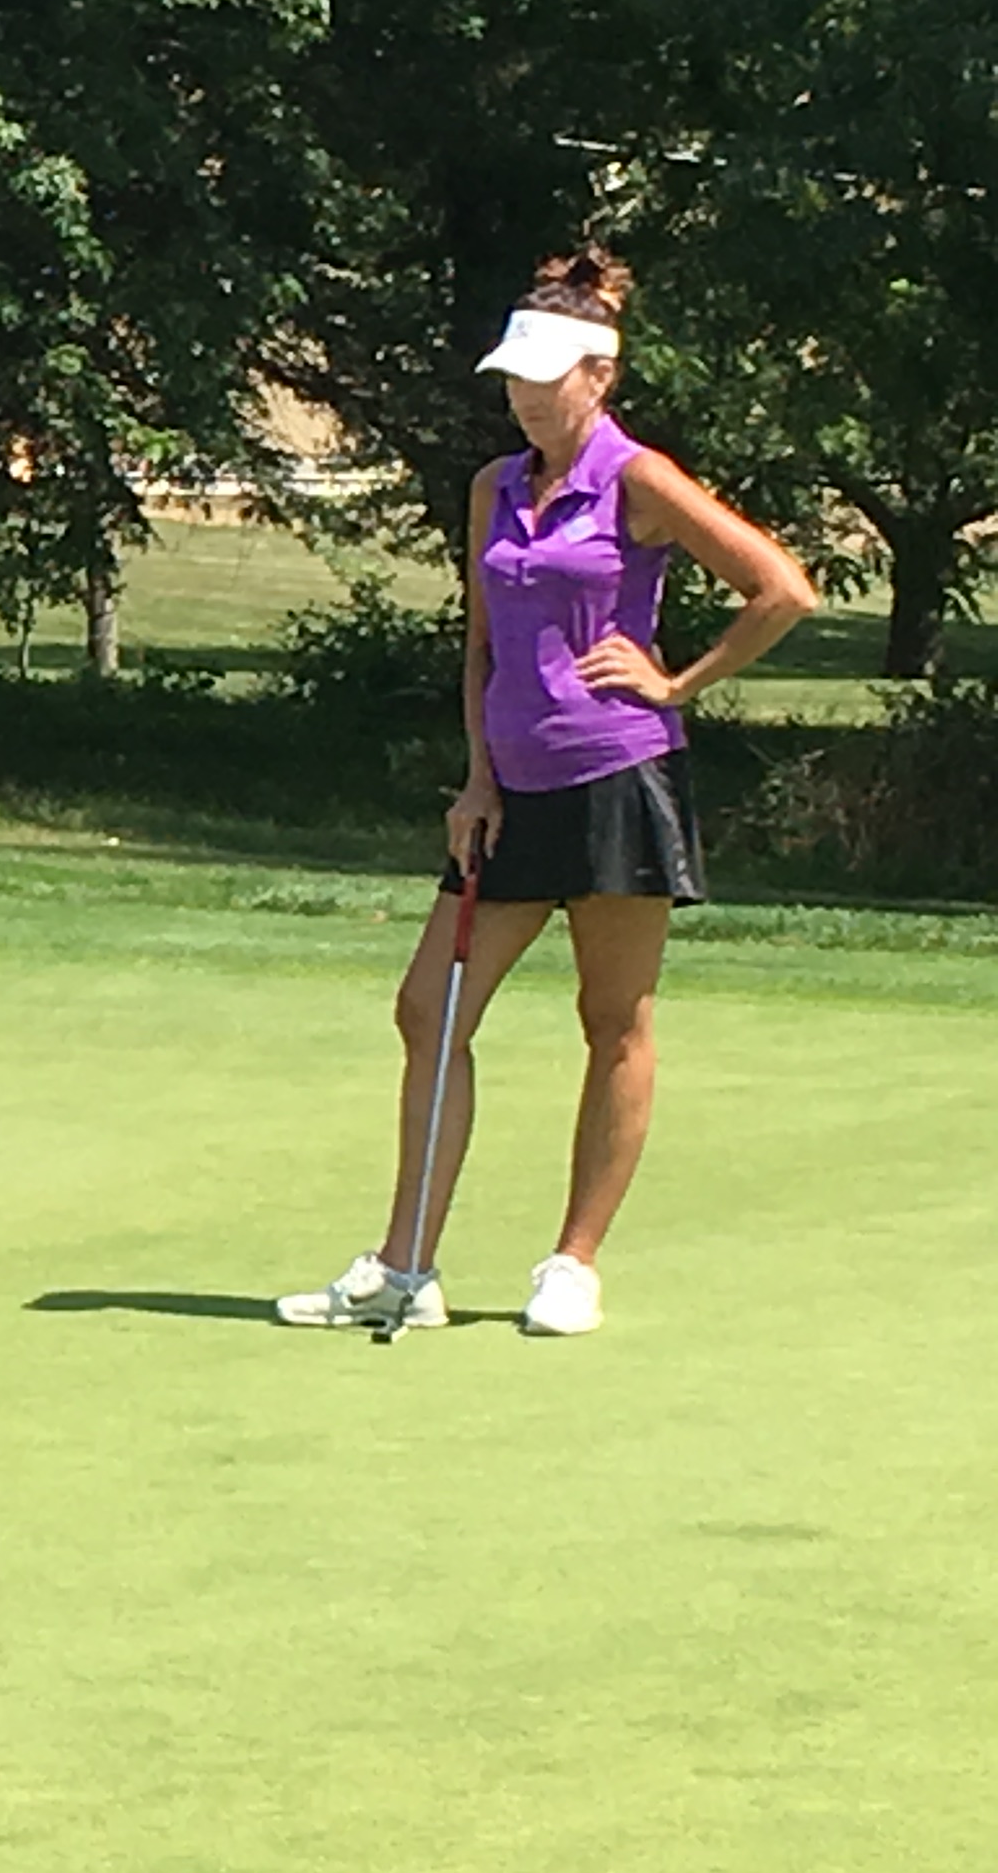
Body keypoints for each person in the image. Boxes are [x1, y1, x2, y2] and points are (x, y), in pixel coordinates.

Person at [279, 249, 816, 1338]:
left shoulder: (640, 480)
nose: (524, 395)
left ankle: (572, 1265)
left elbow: (782, 590)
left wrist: (677, 682)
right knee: (429, 1007)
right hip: (512, 792)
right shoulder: (494, 487)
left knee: (612, 1022)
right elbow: (484, 647)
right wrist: (476, 777)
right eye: (514, 377)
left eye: (543, 377)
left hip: (620, 777)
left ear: (597, 376)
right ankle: (406, 1269)